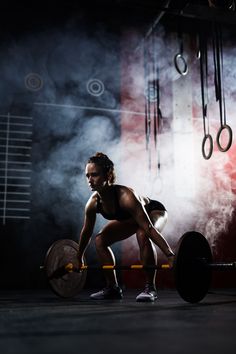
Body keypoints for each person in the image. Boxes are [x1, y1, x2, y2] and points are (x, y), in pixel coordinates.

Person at [77, 152, 175, 302]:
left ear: (108, 175)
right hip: (131, 220)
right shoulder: (92, 204)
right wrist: (78, 257)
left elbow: (148, 227)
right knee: (100, 240)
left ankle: (150, 288)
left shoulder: (126, 196)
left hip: (154, 211)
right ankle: (112, 288)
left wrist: (170, 255)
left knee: (142, 233)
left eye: (94, 175)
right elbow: (86, 232)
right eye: (87, 176)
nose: (90, 180)